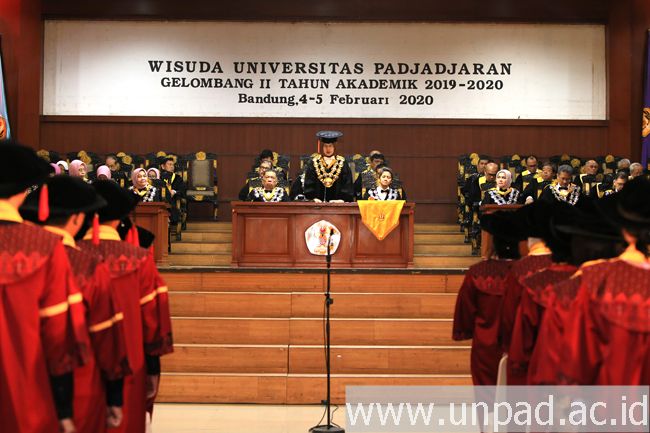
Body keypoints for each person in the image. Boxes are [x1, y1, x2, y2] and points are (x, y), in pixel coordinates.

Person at [20, 175, 130, 433]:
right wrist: (115, 395)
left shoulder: (17, 253)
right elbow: (105, 333)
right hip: (78, 386)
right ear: (79, 218)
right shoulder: (87, 265)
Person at [0, 141, 86, 433]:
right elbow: (59, 335)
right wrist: (64, 408)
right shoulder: (46, 249)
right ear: (25, 190)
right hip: (23, 391)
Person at [79, 180, 174, 433]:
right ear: (121, 218)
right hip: (128, 365)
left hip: (78, 368)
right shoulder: (138, 259)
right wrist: (153, 367)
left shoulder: (67, 256)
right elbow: (153, 321)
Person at [453, 225, 521, 385]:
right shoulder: (527, 272)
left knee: (487, 399)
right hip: (519, 345)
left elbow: (465, 310)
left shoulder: (478, 273)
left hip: (485, 344)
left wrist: (465, 331)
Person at [303, 130, 355, 203]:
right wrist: (313, 198)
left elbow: (347, 183)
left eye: (330, 146)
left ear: (334, 147)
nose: (328, 149)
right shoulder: (314, 162)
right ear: (322, 147)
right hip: (317, 204)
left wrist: (342, 200)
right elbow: (309, 182)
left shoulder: (342, 162)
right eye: (325, 146)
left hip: (338, 204)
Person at [159, 156, 185, 225]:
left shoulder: (177, 178)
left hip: (172, 202)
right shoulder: (158, 177)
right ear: (163, 166)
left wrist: (174, 191)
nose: (172, 166)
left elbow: (182, 190)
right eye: (169, 164)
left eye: (173, 165)